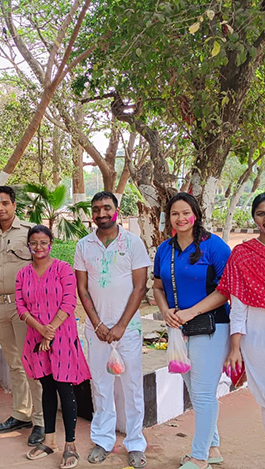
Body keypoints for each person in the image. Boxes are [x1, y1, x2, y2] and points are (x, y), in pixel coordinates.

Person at [180, 192, 265, 469]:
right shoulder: (244, 255)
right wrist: (235, 347)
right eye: (261, 213)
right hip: (257, 341)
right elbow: (238, 306)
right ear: (254, 217)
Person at [153, 193, 231, 469]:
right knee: (194, 390)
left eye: (186, 212)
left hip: (212, 327)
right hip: (178, 330)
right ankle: (213, 447)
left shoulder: (214, 246)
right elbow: (158, 286)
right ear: (169, 218)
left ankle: (199, 457)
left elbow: (227, 289)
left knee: (203, 392)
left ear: (195, 214)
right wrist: (165, 311)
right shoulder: (165, 249)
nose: (181, 218)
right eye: (175, 213)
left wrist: (191, 312)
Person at [75, 191, 150, 468]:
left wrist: (120, 326)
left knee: (132, 387)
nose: (101, 213)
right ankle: (103, 440)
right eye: (96, 209)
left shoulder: (133, 243)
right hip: (96, 331)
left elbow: (140, 288)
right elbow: (82, 288)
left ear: (117, 210)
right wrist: (97, 324)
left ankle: (135, 443)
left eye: (106, 207)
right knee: (101, 386)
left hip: (128, 330)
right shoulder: (84, 245)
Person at [17, 225, 90, 469]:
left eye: (43, 242)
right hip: (36, 337)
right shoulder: (23, 274)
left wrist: (50, 330)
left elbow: (69, 302)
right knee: (46, 387)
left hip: (62, 336)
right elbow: (21, 307)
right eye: (34, 243)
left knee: (64, 388)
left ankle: (70, 445)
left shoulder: (63, 269)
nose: (38, 247)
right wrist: (41, 330)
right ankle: (49, 441)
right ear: (28, 245)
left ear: (51, 244)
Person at [0, 186, 44, 446]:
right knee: (14, 363)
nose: (0, 208)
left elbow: (42, 267)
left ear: (14, 205)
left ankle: (41, 420)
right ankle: (21, 413)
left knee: (32, 363)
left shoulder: (29, 233)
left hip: (23, 308)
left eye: (5, 203)